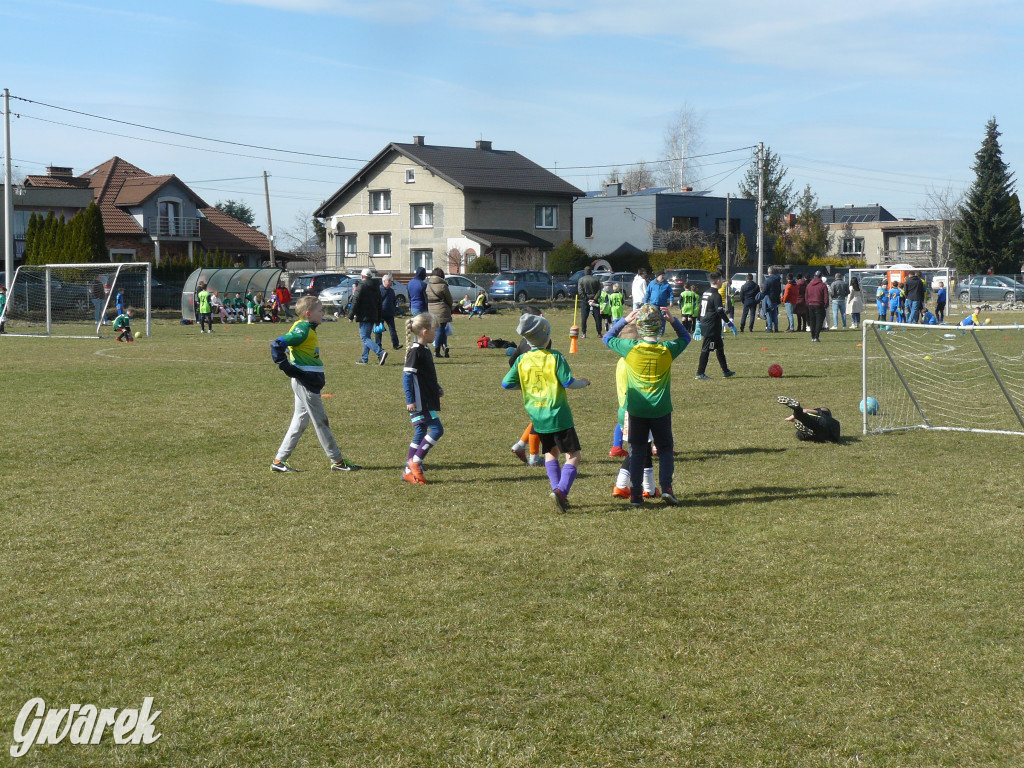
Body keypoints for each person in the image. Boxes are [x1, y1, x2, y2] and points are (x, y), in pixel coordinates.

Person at [603, 304, 690, 507]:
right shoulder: (667, 350)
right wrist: (674, 321)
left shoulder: (630, 349)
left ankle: (635, 495)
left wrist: (624, 320)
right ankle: (667, 488)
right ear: (660, 327)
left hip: (636, 410)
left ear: (639, 327)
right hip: (660, 409)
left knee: (636, 451)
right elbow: (685, 338)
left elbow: (607, 337)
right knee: (666, 449)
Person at [502, 313, 590, 512]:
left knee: (551, 452)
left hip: (537, 416)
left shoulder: (522, 360)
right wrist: (583, 382)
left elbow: (506, 384)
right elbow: (568, 382)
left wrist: (526, 387)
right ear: (546, 336)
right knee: (573, 455)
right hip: (558, 415)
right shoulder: (555, 356)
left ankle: (556, 491)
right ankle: (561, 491)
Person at [270, 296, 360, 473]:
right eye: (320, 310)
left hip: (307, 382)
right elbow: (277, 344)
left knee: (299, 423)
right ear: (309, 314)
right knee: (321, 422)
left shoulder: (307, 328)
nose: (322, 313)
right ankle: (337, 461)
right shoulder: (302, 329)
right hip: (306, 384)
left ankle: (279, 461)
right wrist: (287, 367)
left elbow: (293, 347)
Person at [401, 312, 444, 485]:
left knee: (420, 431)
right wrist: (410, 400)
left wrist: (437, 387)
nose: (437, 334)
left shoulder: (425, 349)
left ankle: (407, 471)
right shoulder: (415, 352)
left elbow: (426, 376)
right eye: (435, 330)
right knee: (437, 429)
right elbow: (407, 378)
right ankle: (415, 462)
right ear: (425, 332)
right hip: (420, 402)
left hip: (426, 398)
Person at [509, 307, 548, 468]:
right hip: (540, 386)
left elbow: (512, 361)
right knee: (540, 420)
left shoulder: (524, 341)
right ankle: (533, 457)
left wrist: (521, 378)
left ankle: (520, 445)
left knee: (537, 419)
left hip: (530, 386)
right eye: (540, 316)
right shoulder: (542, 340)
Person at [695, 272, 737, 379]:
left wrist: (698, 322)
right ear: (718, 281)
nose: (723, 282)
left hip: (710, 325)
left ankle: (725, 371)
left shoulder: (705, 293)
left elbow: (700, 309)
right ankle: (700, 373)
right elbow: (720, 311)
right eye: (722, 280)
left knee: (720, 347)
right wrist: (729, 323)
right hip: (711, 326)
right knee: (706, 349)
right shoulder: (716, 295)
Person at [349, 267, 387, 365]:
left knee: (364, 337)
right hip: (373, 315)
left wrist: (351, 315)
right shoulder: (376, 286)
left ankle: (380, 352)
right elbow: (379, 303)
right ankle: (364, 359)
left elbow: (355, 301)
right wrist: (378, 318)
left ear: (362, 276)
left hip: (364, 315)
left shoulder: (361, 286)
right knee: (367, 337)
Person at [776, 396, 841, 443]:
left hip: (821, 426)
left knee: (800, 431)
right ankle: (806, 432)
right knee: (805, 427)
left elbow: (806, 411)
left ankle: (797, 410)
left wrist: (791, 417)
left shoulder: (823, 413)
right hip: (831, 434)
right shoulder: (826, 415)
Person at [425, 267, 454, 358]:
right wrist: (450, 307)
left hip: (431, 309)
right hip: (442, 309)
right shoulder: (443, 285)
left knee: (439, 329)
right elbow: (449, 299)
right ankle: (437, 350)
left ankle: (444, 346)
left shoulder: (428, 285)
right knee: (441, 329)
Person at [375, 273, 403, 351]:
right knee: (379, 330)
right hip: (380, 313)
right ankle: (378, 345)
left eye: (391, 281)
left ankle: (396, 344)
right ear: (384, 281)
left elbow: (394, 300)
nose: (391, 282)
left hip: (389, 313)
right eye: (389, 280)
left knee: (392, 329)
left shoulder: (391, 291)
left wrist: (394, 308)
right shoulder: (379, 290)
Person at [577, 266, 603, 338]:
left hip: (585, 301)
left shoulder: (581, 280)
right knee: (597, 317)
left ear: (585, 272)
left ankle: (584, 333)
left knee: (584, 318)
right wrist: (594, 299)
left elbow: (580, 291)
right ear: (591, 272)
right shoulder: (596, 279)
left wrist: (587, 299)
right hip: (595, 300)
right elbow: (599, 290)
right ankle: (599, 333)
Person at [805, 271, 828, 342]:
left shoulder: (809, 285)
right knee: (819, 321)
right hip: (819, 304)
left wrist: (808, 303)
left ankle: (812, 336)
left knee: (812, 321)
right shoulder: (822, 285)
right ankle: (816, 336)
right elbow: (826, 297)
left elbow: (806, 296)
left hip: (810, 305)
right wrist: (826, 305)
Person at [761, 266, 782, 332]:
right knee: (775, 314)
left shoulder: (768, 280)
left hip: (769, 299)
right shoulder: (778, 280)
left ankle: (769, 328)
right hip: (776, 299)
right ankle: (776, 328)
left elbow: (764, 291)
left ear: (769, 272)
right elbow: (779, 290)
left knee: (768, 313)